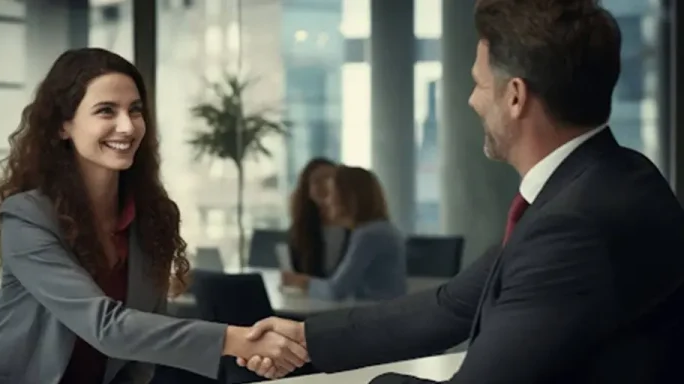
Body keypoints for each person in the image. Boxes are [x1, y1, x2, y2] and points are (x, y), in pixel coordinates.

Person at [236, 1, 684, 383]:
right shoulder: (611, 178)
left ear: (515, 96)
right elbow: (449, 307)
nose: (471, 100)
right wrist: (306, 338)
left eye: (478, 83)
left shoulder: (573, 225)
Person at [0, 48, 307, 384]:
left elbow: (143, 342)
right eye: (106, 110)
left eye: (135, 110)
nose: (127, 126)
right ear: (64, 125)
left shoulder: (153, 217)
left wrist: (245, 349)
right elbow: (106, 328)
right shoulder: (28, 215)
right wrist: (238, 341)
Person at [282, 166, 407, 301]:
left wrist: (302, 282)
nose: (327, 201)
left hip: (376, 317)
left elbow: (336, 291)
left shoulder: (368, 235)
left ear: (347, 197)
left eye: (331, 194)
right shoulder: (379, 229)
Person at [288, 158, 350, 277]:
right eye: (317, 181)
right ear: (307, 190)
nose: (325, 185)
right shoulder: (300, 230)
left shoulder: (355, 227)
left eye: (330, 179)